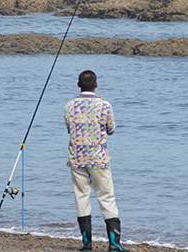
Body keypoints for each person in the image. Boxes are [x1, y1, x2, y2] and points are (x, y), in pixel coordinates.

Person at [65, 70, 131, 252]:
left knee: (81, 198)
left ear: (78, 85)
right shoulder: (105, 106)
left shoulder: (69, 106)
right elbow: (111, 130)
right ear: (96, 84)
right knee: (107, 198)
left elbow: (69, 129)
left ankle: (87, 244)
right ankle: (114, 244)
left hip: (77, 159)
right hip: (99, 160)